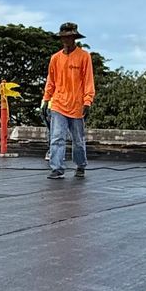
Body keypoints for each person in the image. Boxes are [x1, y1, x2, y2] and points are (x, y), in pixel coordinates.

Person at [43, 21, 95, 179]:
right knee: (57, 137)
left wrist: (88, 101)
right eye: (63, 37)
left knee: (78, 140)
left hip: (77, 104)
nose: (66, 40)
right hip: (58, 103)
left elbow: (88, 81)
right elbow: (50, 81)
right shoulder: (55, 58)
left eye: (69, 37)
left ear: (74, 38)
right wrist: (46, 99)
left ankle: (80, 165)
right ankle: (57, 168)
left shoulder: (84, 57)